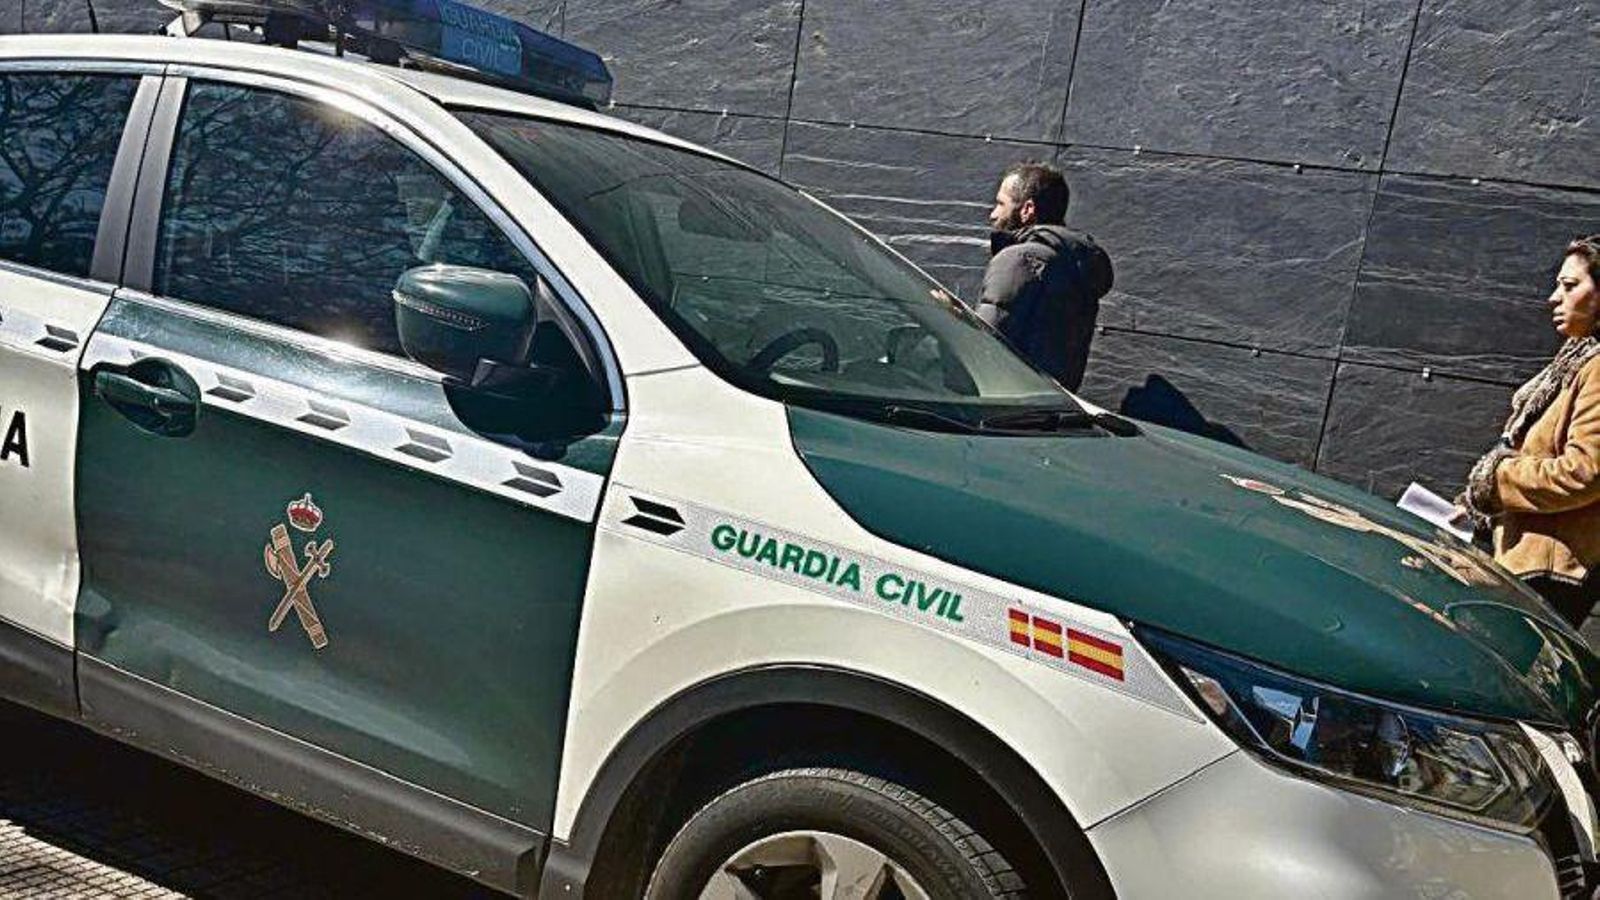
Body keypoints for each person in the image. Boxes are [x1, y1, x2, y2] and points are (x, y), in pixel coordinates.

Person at [1462, 235, 1600, 637]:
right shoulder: (1577, 357)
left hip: (1548, 573)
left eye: (1570, 286)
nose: (1554, 298)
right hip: (1524, 560)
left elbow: (1585, 472)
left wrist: (1495, 480)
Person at [979, 162, 1113, 392]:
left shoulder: (1018, 260)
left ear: (1027, 209)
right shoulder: (1074, 266)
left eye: (1001, 203)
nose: (993, 214)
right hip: (1050, 406)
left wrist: (949, 318)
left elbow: (985, 343)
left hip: (1002, 404)